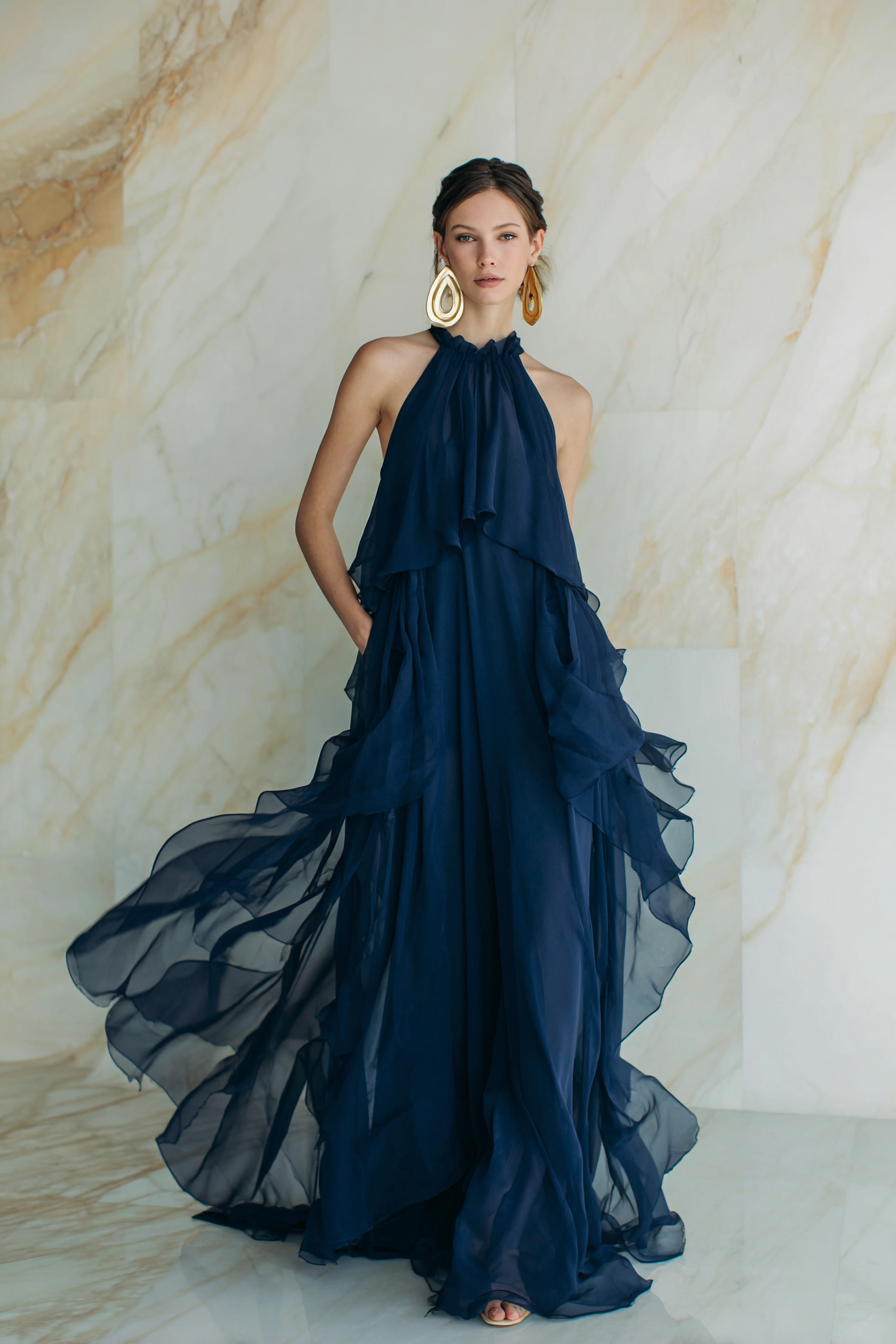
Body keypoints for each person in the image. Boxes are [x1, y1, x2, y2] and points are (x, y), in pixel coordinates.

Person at [68, 157, 698, 1327]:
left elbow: (550, 568)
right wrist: (379, 639)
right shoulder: (386, 367)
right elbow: (313, 521)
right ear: (439, 248)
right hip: (425, 699)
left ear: (537, 246)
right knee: (427, 934)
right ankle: (449, 1196)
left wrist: (573, 697)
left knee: (548, 953)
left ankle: (514, 1236)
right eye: (464, 235)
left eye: (505, 234)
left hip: (540, 703)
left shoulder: (566, 401)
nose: (485, 254)